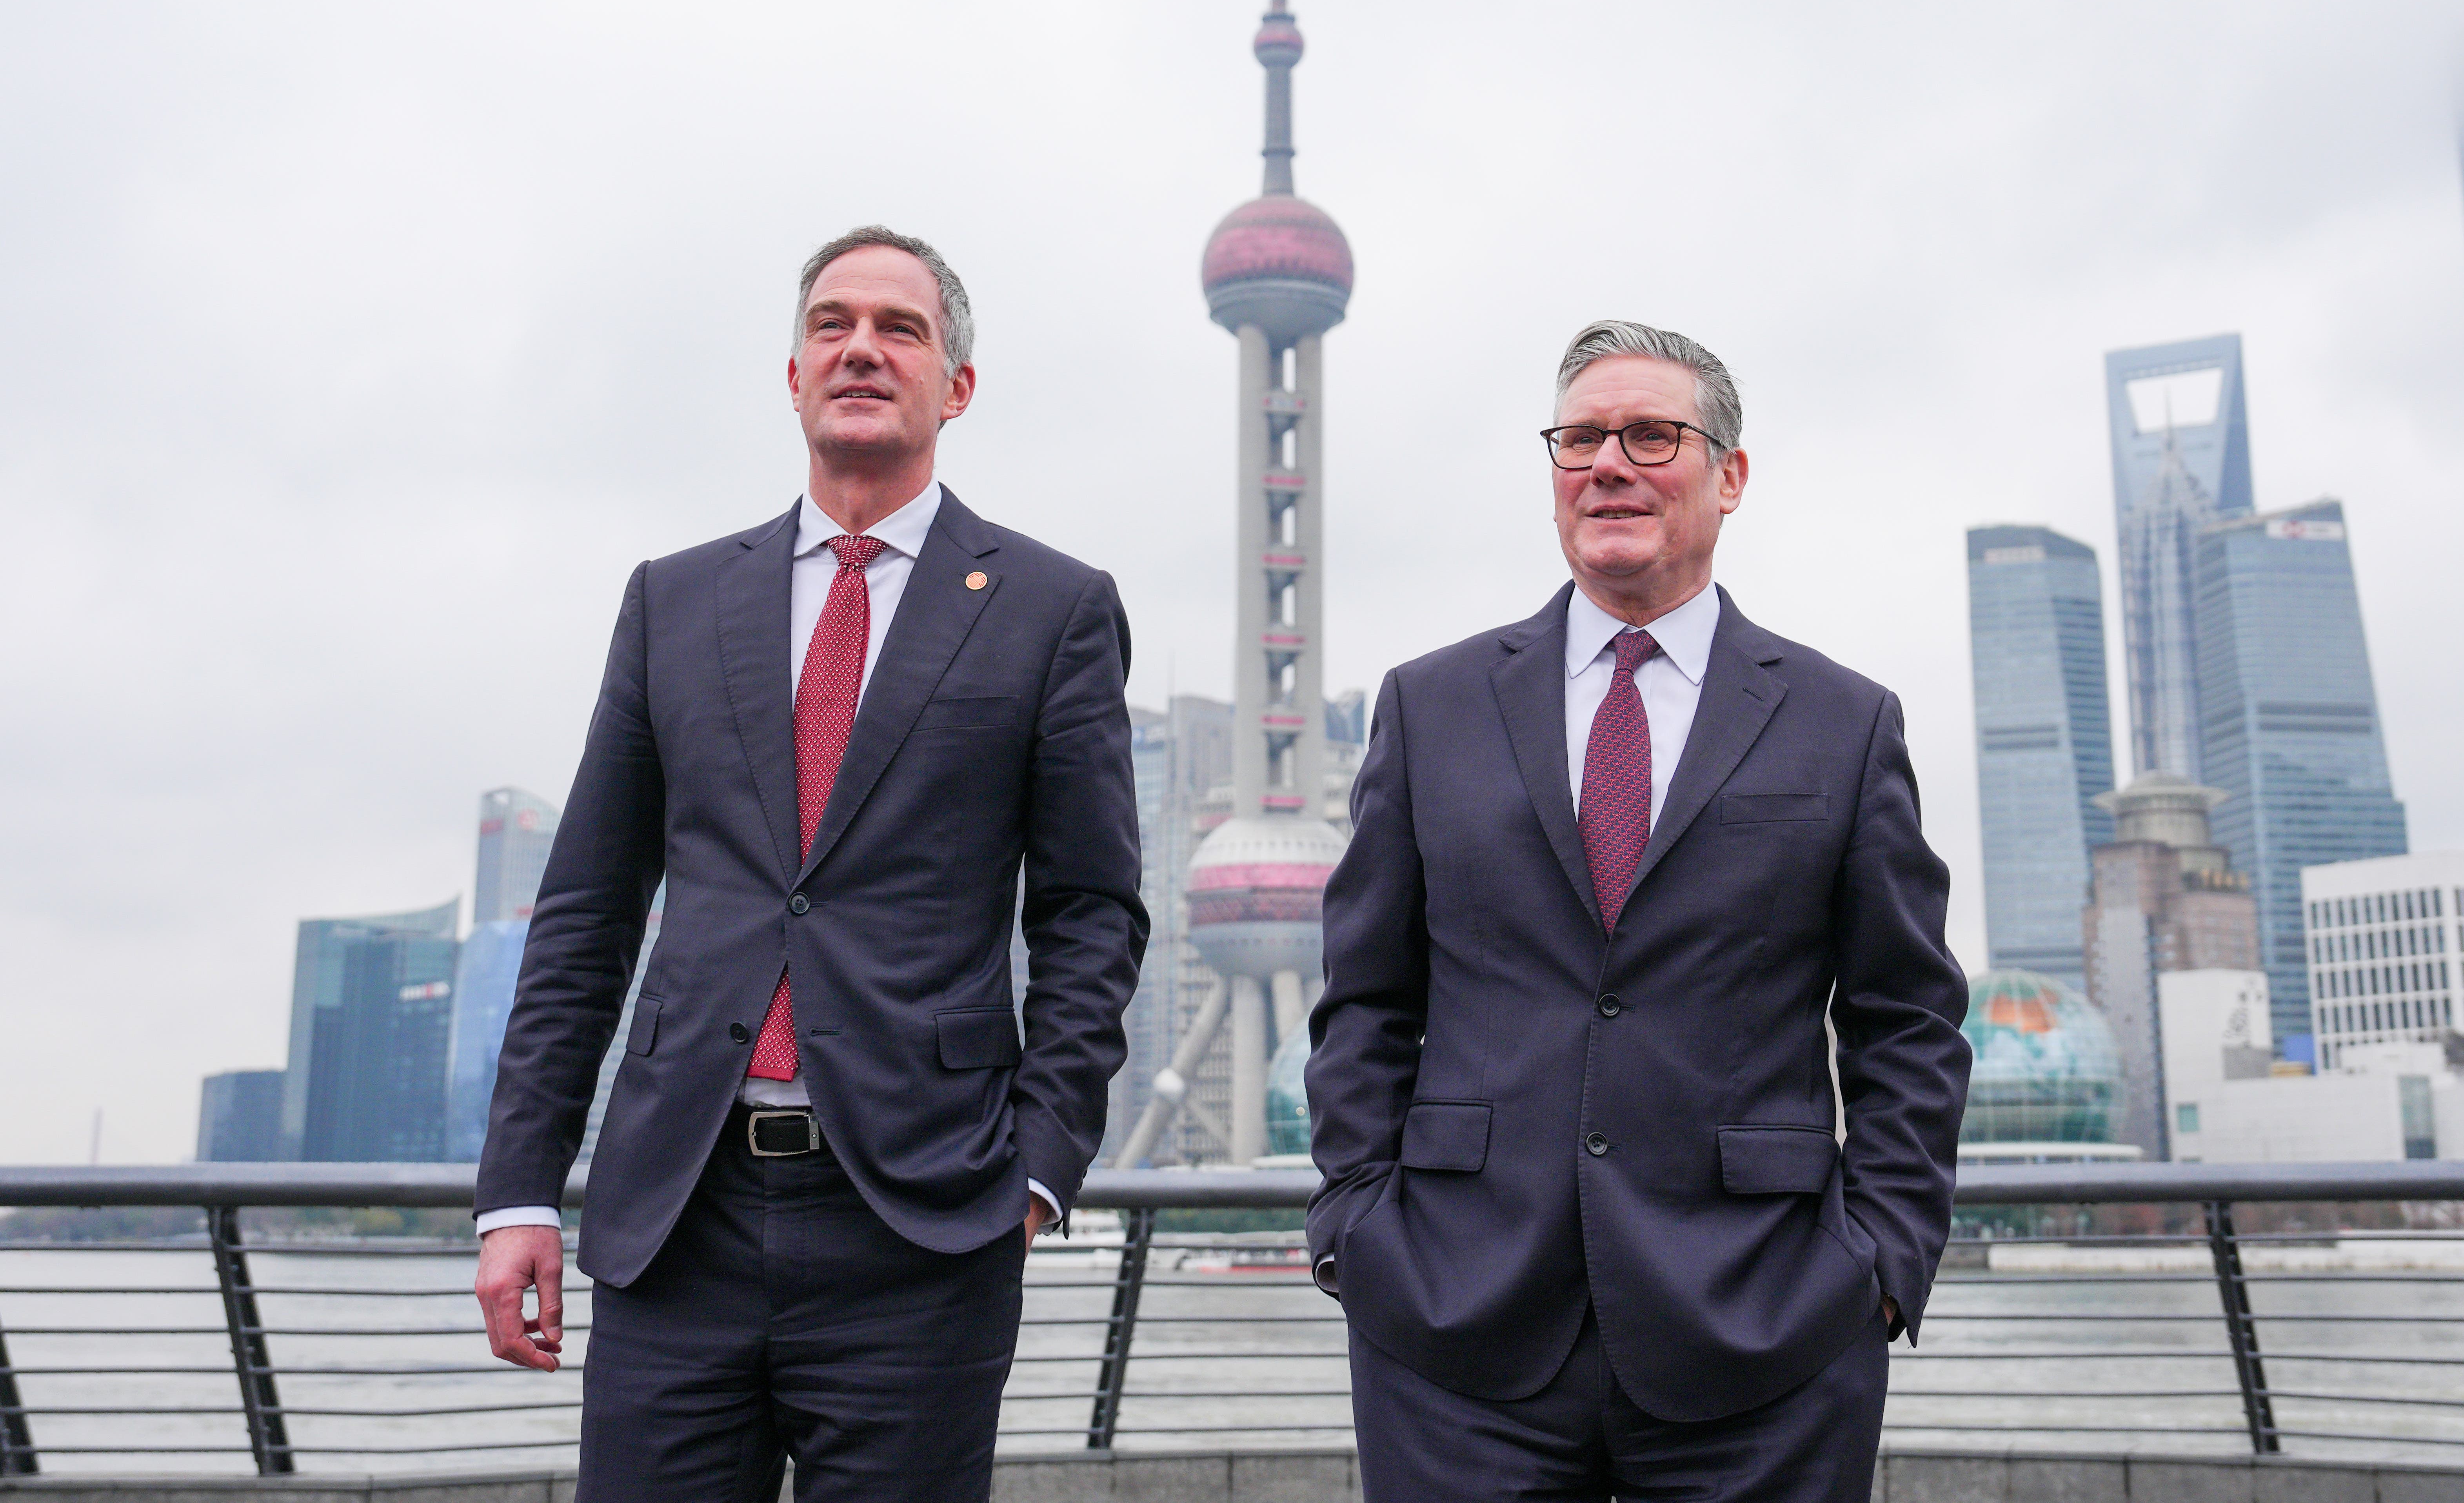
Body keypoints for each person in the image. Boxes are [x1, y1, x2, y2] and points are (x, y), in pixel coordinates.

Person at [471, 227, 1147, 1502]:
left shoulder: (1053, 608)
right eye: (832, 324)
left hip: (924, 1222)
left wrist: (1040, 1173)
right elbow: (585, 912)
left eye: (900, 327)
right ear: (792, 377)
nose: (861, 347)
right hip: (680, 1217)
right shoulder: (673, 601)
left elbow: (1091, 913)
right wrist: (516, 1192)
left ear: (956, 386)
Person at [1303, 319, 1971, 1502]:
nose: (1608, 463)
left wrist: (1878, 1260)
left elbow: (1906, 1019)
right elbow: (1365, 998)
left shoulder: (1842, 722)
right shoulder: (1431, 706)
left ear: (1731, 475)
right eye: (1579, 439)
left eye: (1651, 434)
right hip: (1455, 1326)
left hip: (1766, 1328)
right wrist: (1357, 1226)